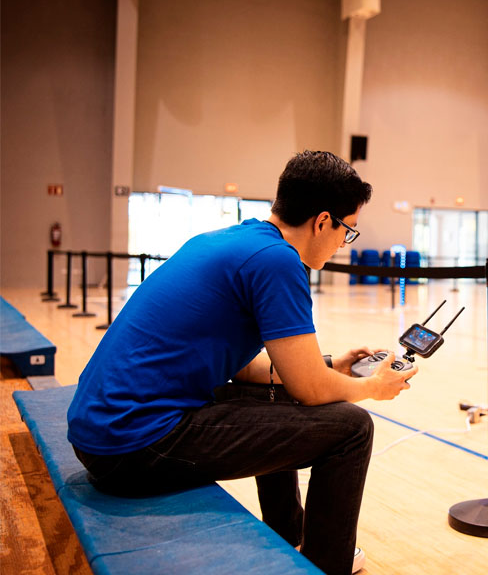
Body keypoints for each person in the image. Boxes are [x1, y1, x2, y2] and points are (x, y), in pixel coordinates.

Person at [67, 150, 414, 575]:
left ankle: (291, 536)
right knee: (352, 429)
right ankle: (328, 565)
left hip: (100, 430)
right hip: (132, 446)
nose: (345, 242)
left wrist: (327, 364)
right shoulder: (279, 261)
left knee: (275, 393)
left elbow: (254, 368)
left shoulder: (231, 240)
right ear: (322, 221)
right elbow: (311, 390)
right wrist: (372, 387)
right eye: (347, 231)